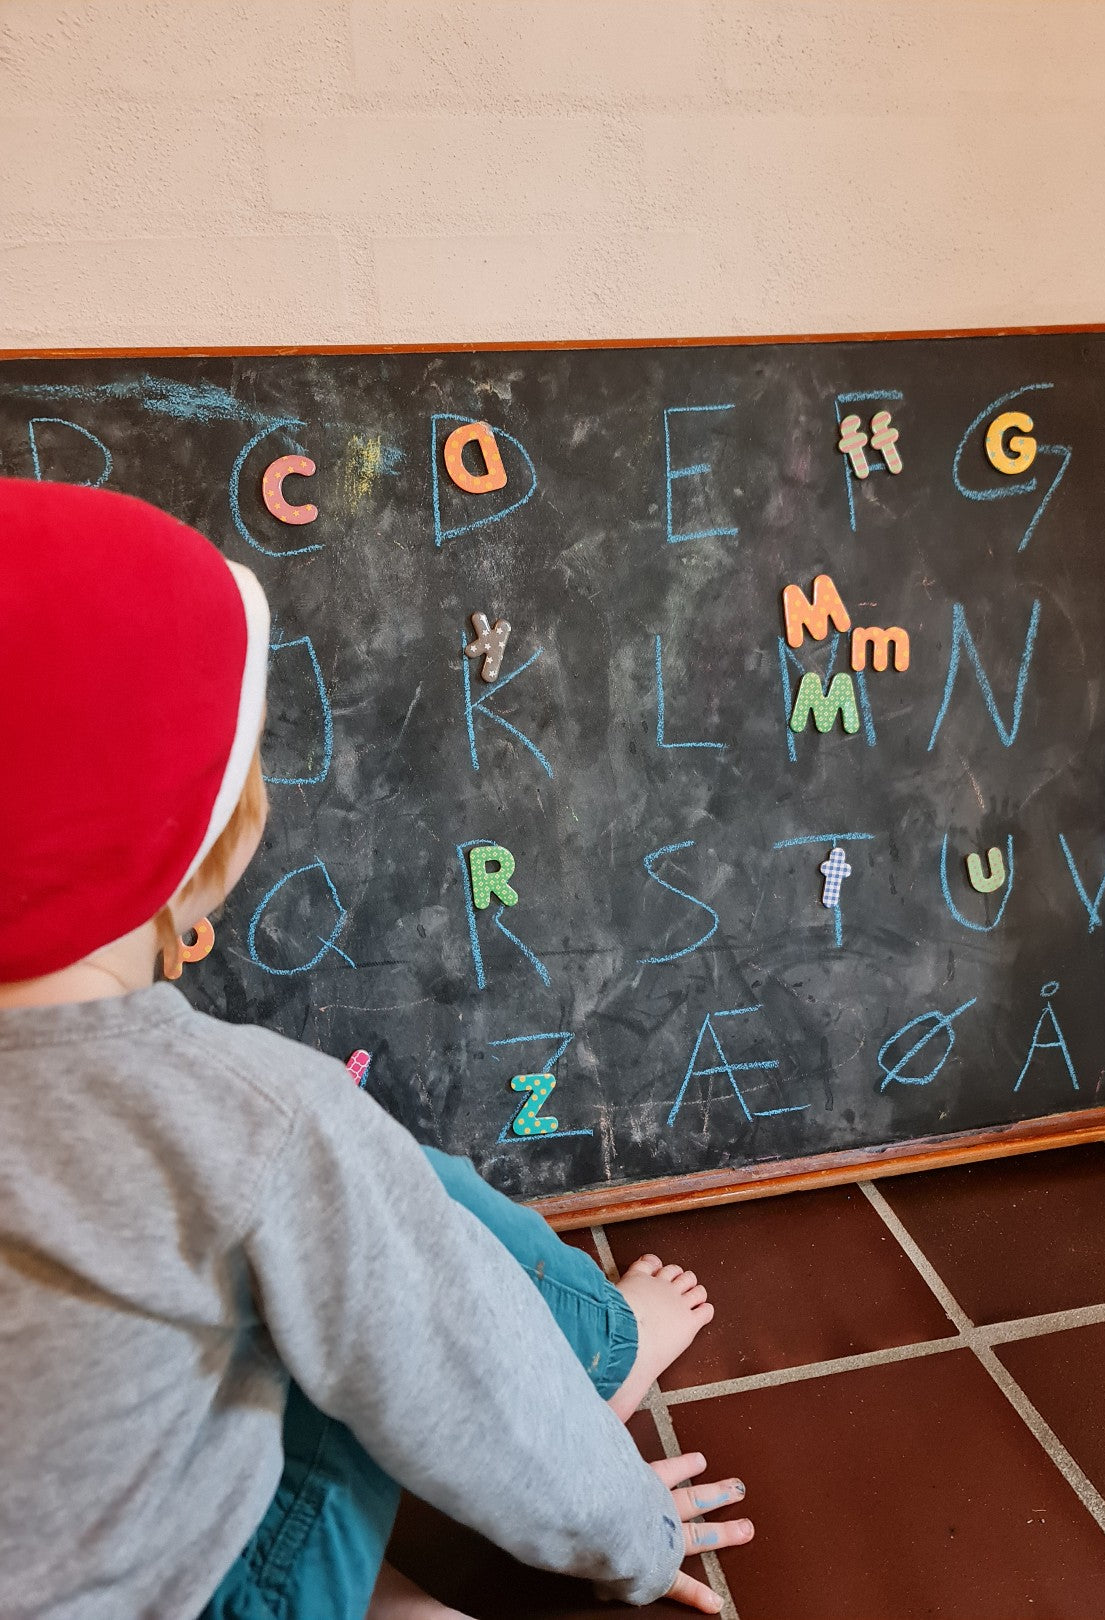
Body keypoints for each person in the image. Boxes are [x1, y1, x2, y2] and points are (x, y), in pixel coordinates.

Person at [0, 479, 753, 1620]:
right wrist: (634, 1537)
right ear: (209, 846)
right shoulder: (254, 1120)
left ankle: (386, 1591)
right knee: (375, 1222)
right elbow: (469, 1384)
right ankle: (603, 1346)